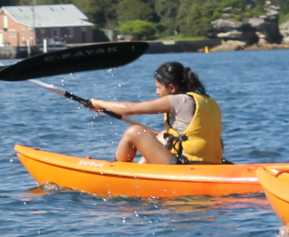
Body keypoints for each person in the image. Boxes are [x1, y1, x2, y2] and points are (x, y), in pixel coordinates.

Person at [86, 61, 224, 165]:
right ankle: (140, 170)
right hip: (211, 163)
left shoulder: (178, 100)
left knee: (134, 132)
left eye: (158, 87)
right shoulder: (208, 102)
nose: (157, 92)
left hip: (185, 164)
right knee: (162, 136)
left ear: (172, 88)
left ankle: (116, 170)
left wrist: (99, 103)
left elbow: (129, 109)